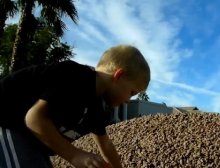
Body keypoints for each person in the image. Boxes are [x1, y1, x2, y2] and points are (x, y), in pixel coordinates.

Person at [0, 45, 151, 168]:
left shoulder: (97, 106)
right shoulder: (76, 77)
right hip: (8, 124)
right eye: (131, 92)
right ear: (118, 75)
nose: (128, 101)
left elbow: (106, 145)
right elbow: (34, 118)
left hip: (33, 140)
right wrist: (75, 155)